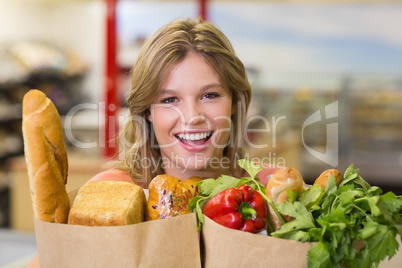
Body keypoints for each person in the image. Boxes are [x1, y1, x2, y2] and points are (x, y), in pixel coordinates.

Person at [27, 17, 276, 268]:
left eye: (210, 95)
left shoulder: (272, 192)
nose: (192, 117)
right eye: (169, 100)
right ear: (147, 110)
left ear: (234, 102)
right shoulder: (110, 194)